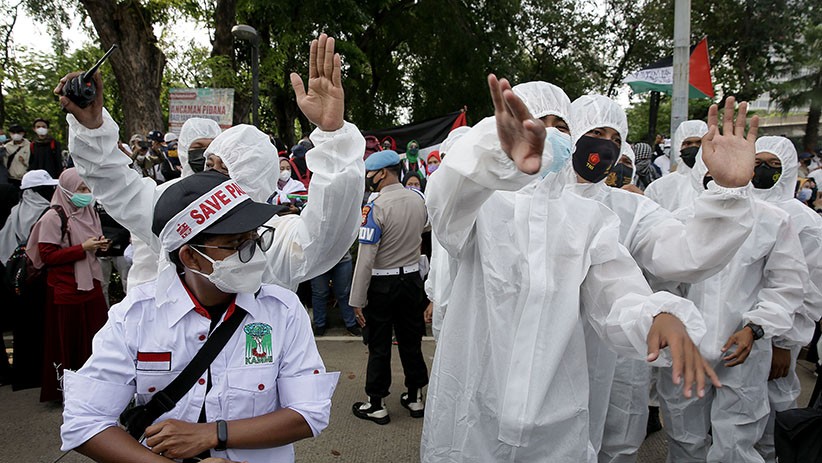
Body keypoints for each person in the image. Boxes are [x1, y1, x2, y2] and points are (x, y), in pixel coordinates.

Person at [421, 75, 717, 462]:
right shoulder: (483, 207)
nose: (548, 134)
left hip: (556, 420)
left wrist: (655, 314)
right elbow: (446, 202)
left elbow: (614, 288)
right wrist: (498, 158)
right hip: (472, 413)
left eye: (561, 127)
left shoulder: (589, 219)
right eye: (536, 122)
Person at [60, 170, 338, 463]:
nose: (253, 253)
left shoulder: (282, 310)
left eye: (254, 239)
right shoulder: (135, 317)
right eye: (235, 245)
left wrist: (214, 433)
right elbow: (85, 423)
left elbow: (309, 412)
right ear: (191, 257)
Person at [57, 33, 365, 294]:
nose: (210, 176)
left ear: (254, 179)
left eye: (224, 169)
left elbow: (327, 232)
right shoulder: (175, 213)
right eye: (208, 163)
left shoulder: (275, 236)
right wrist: (92, 127)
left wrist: (333, 135)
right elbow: (116, 186)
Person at [564, 96, 760, 462]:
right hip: (541, 354)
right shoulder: (523, 203)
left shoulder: (629, 209)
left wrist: (729, 192)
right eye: (593, 133)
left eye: (613, 137)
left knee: (615, 441)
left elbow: (687, 251)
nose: (603, 145)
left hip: (617, 351)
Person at [657, 146, 807, 463]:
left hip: (744, 350)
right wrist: (676, 328)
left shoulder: (772, 221)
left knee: (737, 441)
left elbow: (787, 283)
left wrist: (756, 328)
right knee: (685, 438)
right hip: (686, 351)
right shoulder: (680, 221)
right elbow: (663, 285)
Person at [751, 136, 822, 462]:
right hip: (736, 331)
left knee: (773, 413)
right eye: (758, 163)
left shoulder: (805, 220)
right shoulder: (739, 205)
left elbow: (810, 289)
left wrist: (784, 342)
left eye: (774, 166)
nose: (764, 171)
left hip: (777, 336)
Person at [350, 149, 429, 425]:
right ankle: (415, 396)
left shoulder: (375, 207)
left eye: (370, 173)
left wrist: (356, 298)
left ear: (382, 173)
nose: (368, 178)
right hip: (411, 281)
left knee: (379, 344)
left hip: (382, 284)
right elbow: (426, 229)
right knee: (411, 341)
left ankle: (376, 403)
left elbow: (366, 256)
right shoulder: (418, 199)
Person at [26, 168, 110, 402]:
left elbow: (90, 242)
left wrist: (100, 246)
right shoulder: (53, 217)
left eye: (88, 188)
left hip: (90, 283)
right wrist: (82, 249)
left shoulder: (89, 211)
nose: (86, 193)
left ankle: (97, 386)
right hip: (66, 288)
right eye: (81, 189)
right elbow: (48, 256)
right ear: (66, 190)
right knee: (70, 340)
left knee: (96, 336)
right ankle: (71, 391)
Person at [0, 170, 58, 390]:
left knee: (24, 328)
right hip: (40, 277)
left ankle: (26, 374)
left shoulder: (15, 211)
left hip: (20, 279)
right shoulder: (46, 213)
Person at [644, 120, 709, 212]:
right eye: (688, 143)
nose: (694, 147)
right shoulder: (658, 188)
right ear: (678, 146)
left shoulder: (720, 184)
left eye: (699, 142)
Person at [310, 251, 359, 336]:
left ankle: (351, 324)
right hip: (318, 261)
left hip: (342, 259)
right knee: (319, 294)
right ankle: (319, 325)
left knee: (344, 294)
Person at [4, 124, 30, 188]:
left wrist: (24, 162)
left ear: (23, 133)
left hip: (25, 179)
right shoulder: (7, 147)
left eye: (18, 132)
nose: (16, 134)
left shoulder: (30, 145)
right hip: (11, 179)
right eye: (13, 132)